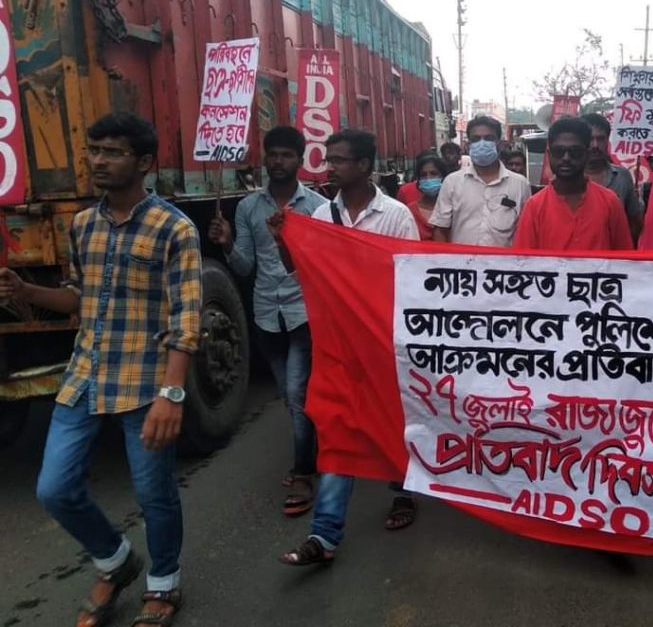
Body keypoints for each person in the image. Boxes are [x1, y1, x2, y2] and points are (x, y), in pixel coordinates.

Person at [0, 113, 199, 626]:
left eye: (112, 152)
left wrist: (172, 393)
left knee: (154, 494)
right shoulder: (83, 224)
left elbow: (187, 319)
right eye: (94, 151)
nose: (99, 161)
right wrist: (28, 291)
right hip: (86, 374)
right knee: (54, 489)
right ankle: (115, 560)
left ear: (144, 162)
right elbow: (79, 297)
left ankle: (164, 582)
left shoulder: (175, 228)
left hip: (145, 381)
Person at [272, 130, 419, 567]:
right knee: (337, 426)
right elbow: (301, 269)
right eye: (329, 159)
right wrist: (283, 240)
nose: (330, 167)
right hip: (336, 341)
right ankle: (325, 533)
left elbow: (410, 277)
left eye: (339, 160)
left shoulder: (396, 216)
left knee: (393, 418)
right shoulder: (320, 214)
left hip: (382, 339)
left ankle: (404, 491)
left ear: (365, 166)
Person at [208, 125, 327, 516]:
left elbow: (320, 268)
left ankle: (303, 472)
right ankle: (317, 449)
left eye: (286, 155)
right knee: (292, 398)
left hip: (303, 311)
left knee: (296, 392)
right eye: (272, 154)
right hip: (266, 313)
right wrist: (227, 243)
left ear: (300, 160)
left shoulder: (317, 207)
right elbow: (245, 268)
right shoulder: (247, 208)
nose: (278, 161)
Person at [514, 118, 632, 251]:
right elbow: (522, 260)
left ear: (587, 154)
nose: (566, 158)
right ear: (549, 154)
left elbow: (624, 257)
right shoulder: (534, 207)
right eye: (559, 151)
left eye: (575, 151)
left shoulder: (610, 202)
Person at [430, 115, 531, 246]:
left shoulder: (520, 184)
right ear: (468, 145)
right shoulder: (452, 182)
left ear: (500, 144)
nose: (482, 143)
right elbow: (440, 230)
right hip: (462, 259)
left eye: (489, 138)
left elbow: (526, 232)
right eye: (476, 139)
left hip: (503, 259)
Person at [580, 113, 644, 239]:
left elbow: (634, 225)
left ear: (608, 140)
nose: (595, 145)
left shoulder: (622, 176)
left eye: (600, 139)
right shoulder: (569, 177)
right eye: (590, 139)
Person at [407, 152, 450, 240]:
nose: (428, 178)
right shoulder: (409, 212)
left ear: (443, 177)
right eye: (423, 175)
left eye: (433, 173)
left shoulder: (453, 208)